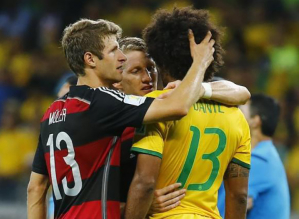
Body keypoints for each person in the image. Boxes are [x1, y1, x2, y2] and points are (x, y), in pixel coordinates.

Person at [27, 18, 215, 219]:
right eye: (113, 50)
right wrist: (200, 64)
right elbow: (178, 106)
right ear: (90, 59)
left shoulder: (52, 112)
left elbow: (35, 188)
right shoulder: (102, 101)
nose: (122, 57)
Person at [125, 7, 251, 219]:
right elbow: (239, 195)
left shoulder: (158, 105)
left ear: (161, 61)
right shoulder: (236, 116)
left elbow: (145, 182)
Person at [218, 94, 290, 219]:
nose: (236, 112)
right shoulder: (269, 157)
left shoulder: (257, 162)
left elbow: (220, 212)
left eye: (241, 109)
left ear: (255, 121)